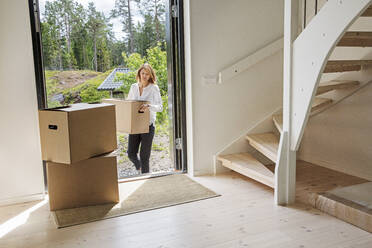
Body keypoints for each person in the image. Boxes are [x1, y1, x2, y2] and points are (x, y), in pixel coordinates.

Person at [126, 63, 163, 174]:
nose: (144, 76)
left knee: (144, 157)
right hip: (135, 125)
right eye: (143, 73)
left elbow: (160, 107)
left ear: (150, 75)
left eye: (147, 74)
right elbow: (128, 103)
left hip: (148, 126)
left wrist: (149, 106)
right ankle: (139, 168)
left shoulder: (154, 88)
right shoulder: (133, 87)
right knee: (131, 153)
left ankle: (145, 178)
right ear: (139, 74)